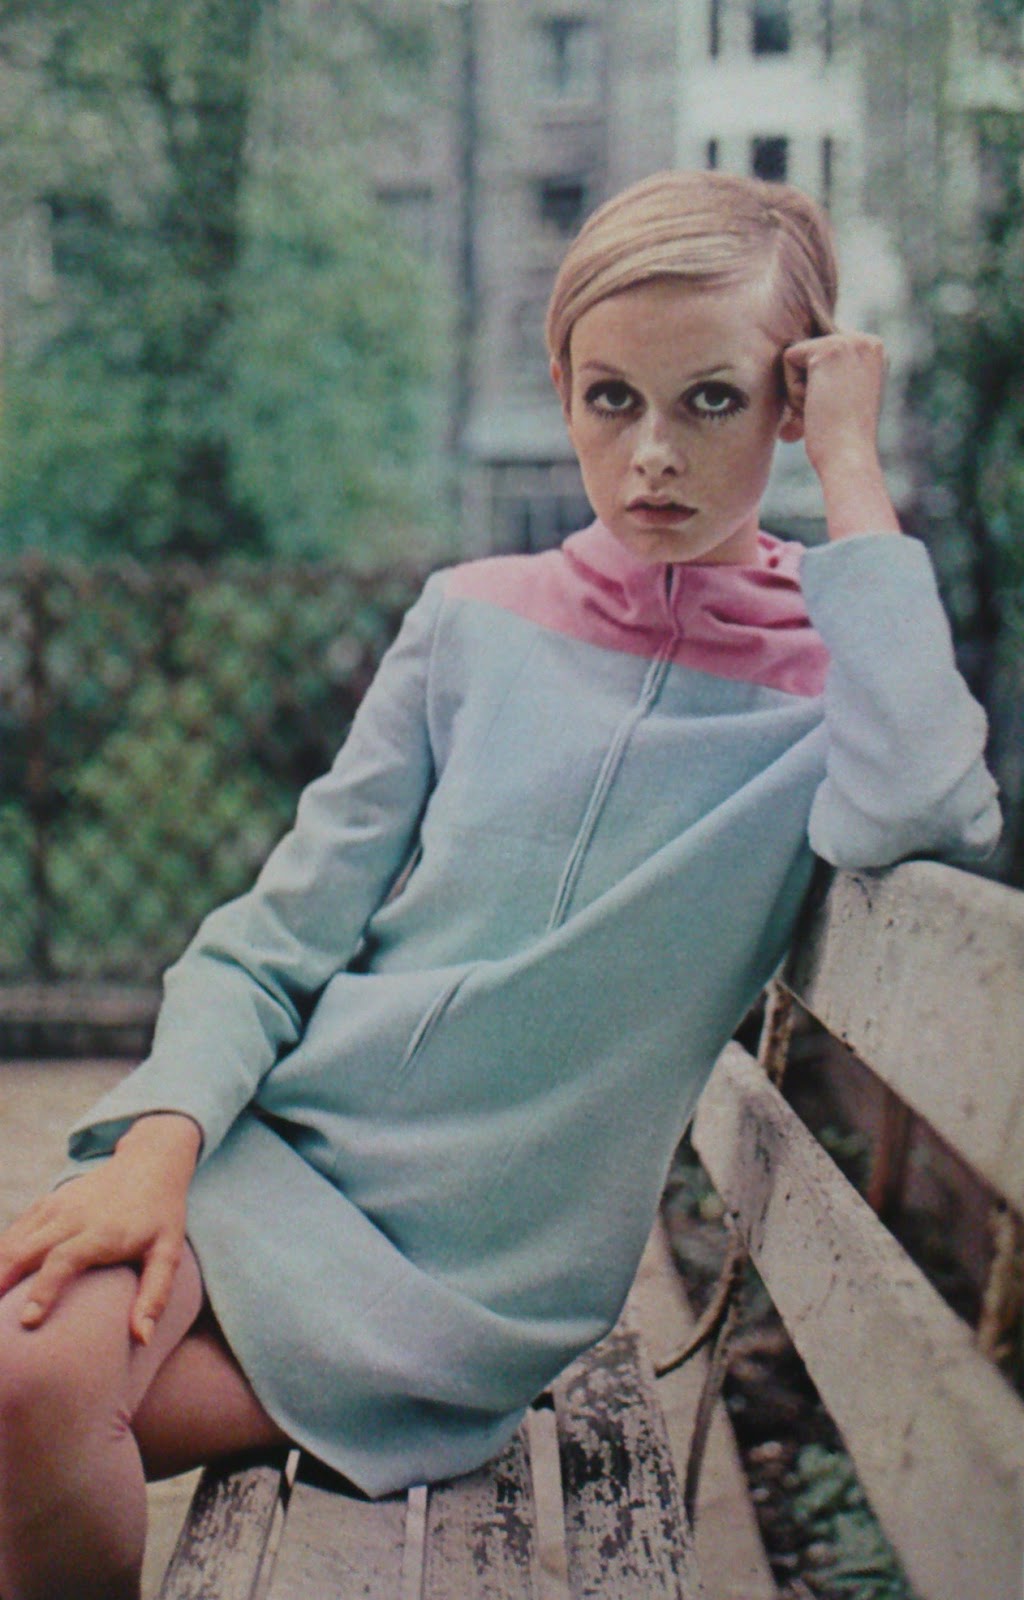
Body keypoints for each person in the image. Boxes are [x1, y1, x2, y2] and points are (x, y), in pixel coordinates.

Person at [0, 169, 1000, 1600]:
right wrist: (161, 1148)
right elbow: (276, 935)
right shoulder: (472, 620)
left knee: (27, 1410)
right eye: (611, 400)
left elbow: (929, 796)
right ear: (563, 393)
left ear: (792, 401)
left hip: (474, 1277)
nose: (652, 456)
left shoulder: (832, 689)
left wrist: (852, 461)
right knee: (26, 1390)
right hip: (269, 1157)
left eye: (713, 401)